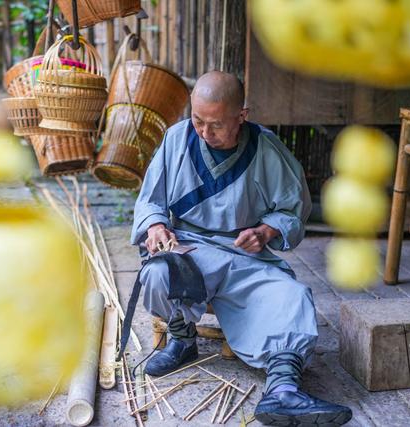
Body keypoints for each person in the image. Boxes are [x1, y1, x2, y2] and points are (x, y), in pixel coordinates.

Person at [130, 71, 352, 426]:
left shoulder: (266, 148)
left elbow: (292, 211)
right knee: (157, 273)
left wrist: (265, 231)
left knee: (291, 296)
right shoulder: (175, 139)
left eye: (216, 124)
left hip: (243, 256)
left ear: (241, 116)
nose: (204, 132)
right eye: (198, 120)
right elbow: (150, 200)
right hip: (189, 248)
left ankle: (283, 390)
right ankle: (182, 339)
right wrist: (156, 225)